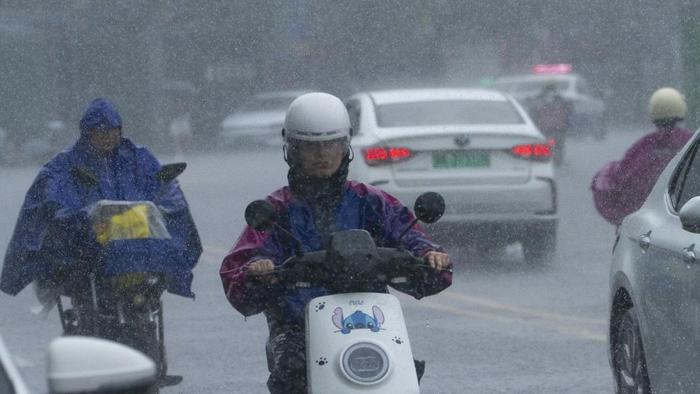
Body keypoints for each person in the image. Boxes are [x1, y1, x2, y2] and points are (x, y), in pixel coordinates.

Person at [219, 92, 452, 394]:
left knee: (402, 367)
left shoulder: (371, 201)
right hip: (296, 328)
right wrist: (258, 269)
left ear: (346, 146)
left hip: (373, 325)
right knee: (292, 369)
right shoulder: (276, 209)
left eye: (332, 144)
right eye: (311, 146)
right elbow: (240, 269)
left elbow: (409, 235)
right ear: (292, 148)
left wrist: (430, 255)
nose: (323, 154)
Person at [1, 98, 202, 300]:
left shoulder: (138, 158)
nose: (108, 136)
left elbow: (162, 189)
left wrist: (164, 206)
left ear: (120, 130)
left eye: (113, 130)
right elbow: (51, 197)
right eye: (101, 131)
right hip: (89, 250)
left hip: (139, 248)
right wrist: (78, 218)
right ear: (88, 132)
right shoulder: (66, 164)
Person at [592, 87, 694, 227]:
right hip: (685, 224)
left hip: (646, 224)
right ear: (681, 109)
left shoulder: (644, 146)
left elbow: (621, 178)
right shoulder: (691, 143)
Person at [528, 80, 572, 165]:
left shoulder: (538, 99)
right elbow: (569, 112)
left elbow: (533, 113)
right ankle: (557, 161)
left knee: (544, 144)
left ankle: (543, 160)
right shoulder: (561, 99)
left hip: (544, 128)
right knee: (559, 146)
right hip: (558, 128)